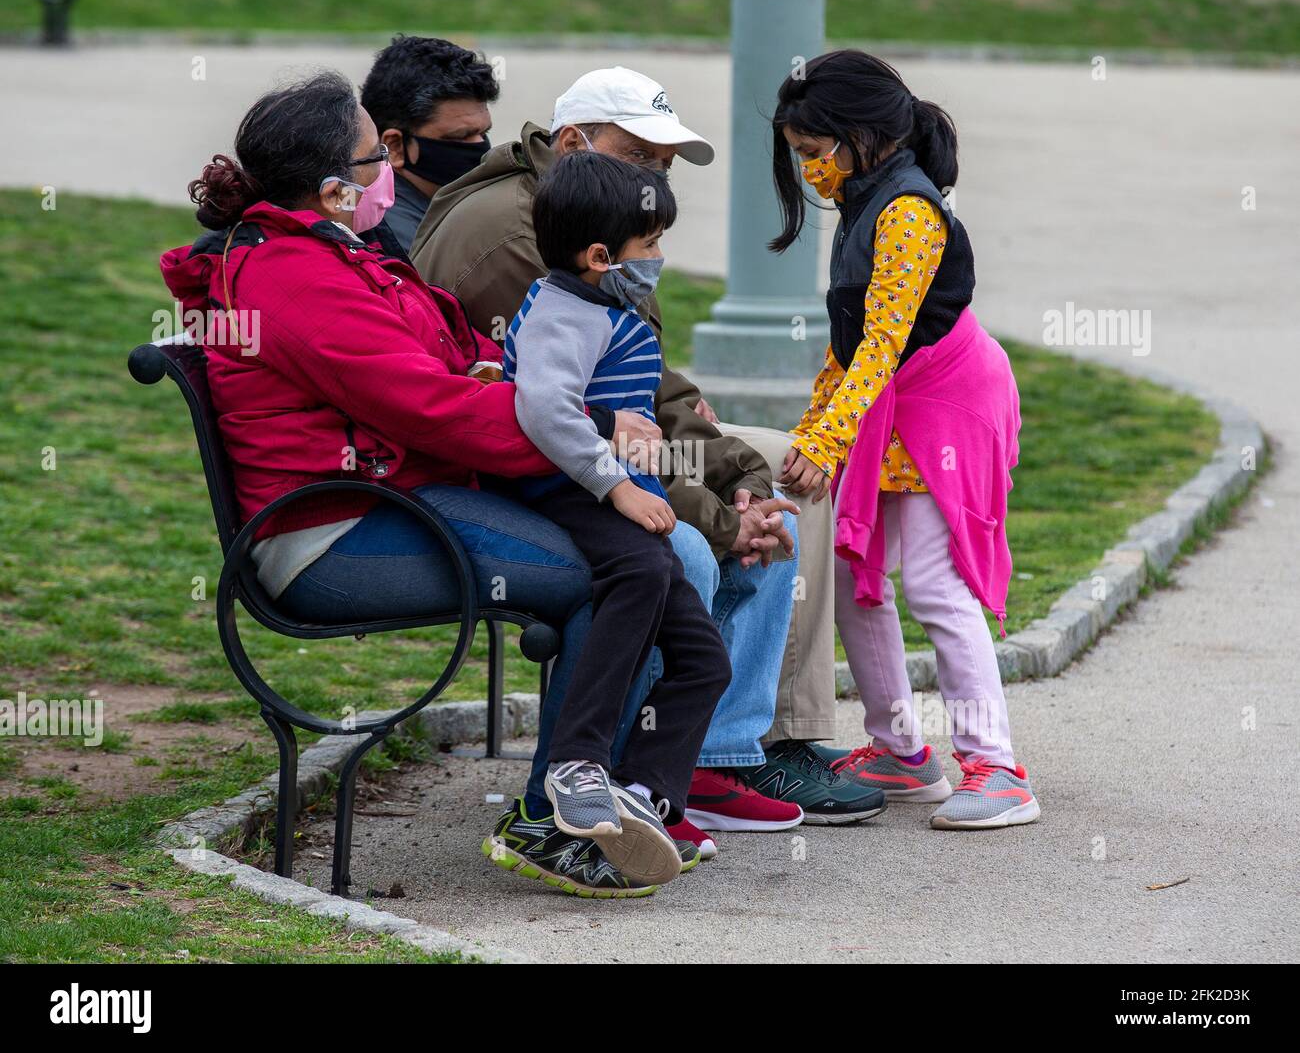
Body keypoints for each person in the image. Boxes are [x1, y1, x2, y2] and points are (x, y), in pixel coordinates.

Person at [162, 72, 673, 897]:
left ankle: (601, 795)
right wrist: (587, 436)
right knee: (602, 575)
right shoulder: (297, 278)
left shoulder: (331, 250)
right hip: (329, 539)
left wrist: (569, 411)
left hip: (387, 502)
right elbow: (435, 409)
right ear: (334, 189)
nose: (389, 173)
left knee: (631, 557)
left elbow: (451, 353)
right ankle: (553, 817)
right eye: (375, 157)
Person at [412, 67, 882, 842]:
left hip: (616, 442)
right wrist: (723, 516)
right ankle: (621, 772)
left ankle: (726, 755)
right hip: (541, 471)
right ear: (573, 143)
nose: (655, 182)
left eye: (662, 166)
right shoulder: (524, 234)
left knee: (786, 480)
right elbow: (570, 416)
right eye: (642, 156)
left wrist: (734, 478)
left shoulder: (589, 209)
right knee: (689, 553)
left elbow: (647, 381)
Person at [769, 50, 1040, 829]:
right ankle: (899, 749)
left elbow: (883, 345)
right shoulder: (862, 200)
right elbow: (849, 345)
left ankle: (997, 766)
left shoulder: (909, 213)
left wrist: (828, 441)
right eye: (799, 157)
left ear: (861, 136)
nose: (808, 171)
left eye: (814, 154)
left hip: (948, 403)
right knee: (859, 574)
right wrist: (816, 427)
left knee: (932, 580)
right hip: (889, 401)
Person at [499, 151, 732, 887]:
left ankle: (643, 795)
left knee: (704, 659)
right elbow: (541, 408)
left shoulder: (601, 304)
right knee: (640, 566)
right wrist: (616, 487)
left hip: (603, 483)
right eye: (650, 244)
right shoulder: (566, 312)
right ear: (600, 257)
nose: (659, 258)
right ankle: (578, 761)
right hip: (565, 487)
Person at [359, 35, 498, 252]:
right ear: (394, 146)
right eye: (461, 137)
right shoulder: (401, 245)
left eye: (483, 132)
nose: (481, 148)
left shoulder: (441, 210)